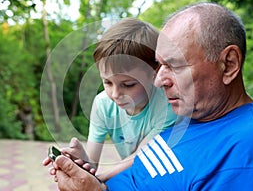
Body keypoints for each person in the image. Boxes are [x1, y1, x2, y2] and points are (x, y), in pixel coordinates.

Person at [46, 2, 253, 190]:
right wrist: (87, 174)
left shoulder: (243, 153)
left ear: (228, 64)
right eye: (160, 65)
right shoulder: (193, 116)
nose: (159, 80)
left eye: (175, 66)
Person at [43, 18, 177, 181]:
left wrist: (98, 180)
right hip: (131, 177)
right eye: (107, 82)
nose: (115, 94)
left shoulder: (167, 105)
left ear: (155, 72)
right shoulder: (102, 104)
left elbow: (141, 156)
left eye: (128, 85)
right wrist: (80, 162)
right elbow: (91, 165)